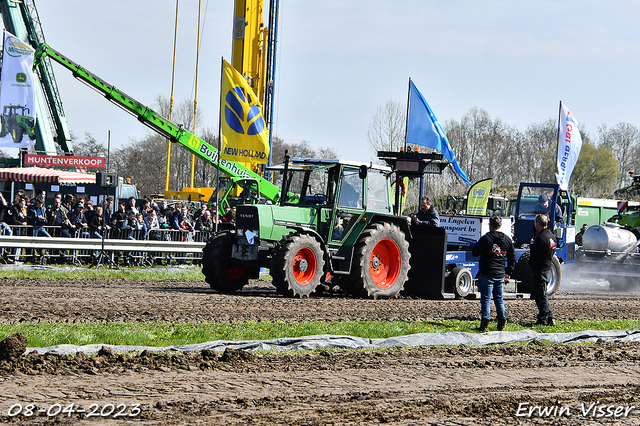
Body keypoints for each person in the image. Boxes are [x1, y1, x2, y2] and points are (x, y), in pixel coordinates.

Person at [472, 215, 516, 332]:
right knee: (499, 299)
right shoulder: (507, 239)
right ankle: (501, 323)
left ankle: (484, 324)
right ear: (500, 225)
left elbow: (475, 252)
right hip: (500, 274)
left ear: (489, 225)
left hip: (487, 273)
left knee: (486, 299)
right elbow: (512, 257)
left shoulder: (486, 239)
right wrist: (508, 272)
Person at [529, 214, 557, 326]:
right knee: (543, 294)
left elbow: (534, 255)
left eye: (535, 222)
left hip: (540, 269)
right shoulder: (551, 236)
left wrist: (532, 244)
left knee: (540, 295)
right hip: (548, 267)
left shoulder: (540, 239)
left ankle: (543, 318)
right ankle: (550, 317)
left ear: (538, 223)